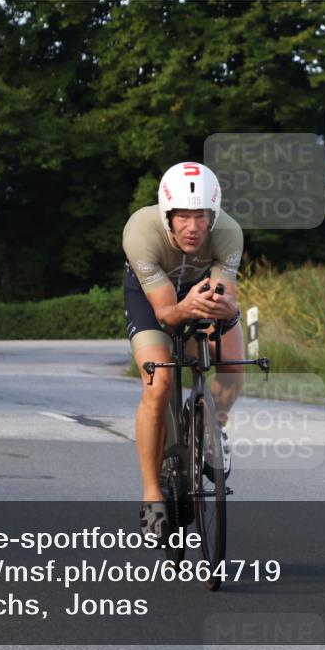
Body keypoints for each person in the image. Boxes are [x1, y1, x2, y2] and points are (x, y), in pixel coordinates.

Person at [123, 161, 244, 540]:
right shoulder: (140, 231)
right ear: (167, 215)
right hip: (152, 299)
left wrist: (228, 310)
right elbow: (165, 313)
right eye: (184, 217)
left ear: (214, 214)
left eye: (202, 217)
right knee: (159, 382)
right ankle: (151, 495)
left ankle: (214, 423)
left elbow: (225, 297)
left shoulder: (229, 233)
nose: (193, 227)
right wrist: (185, 307)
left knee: (232, 365)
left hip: (199, 291)